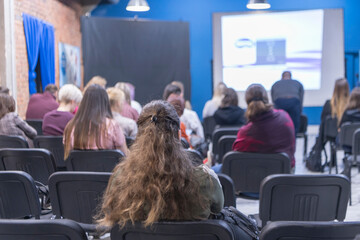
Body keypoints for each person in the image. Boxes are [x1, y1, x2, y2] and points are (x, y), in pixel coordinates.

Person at [97, 100, 223, 228]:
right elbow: (218, 209)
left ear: (139, 137)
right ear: (179, 136)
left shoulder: (121, 179)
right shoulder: (205, 181)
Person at [212, 84, 295, 172]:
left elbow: (236, 158)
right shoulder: (285, 117)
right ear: (266, 98)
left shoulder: (246, 133)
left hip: (250, 176)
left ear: (247, 102)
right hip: (283, 175)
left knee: (212, 172)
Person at [63, 84, 129, 159]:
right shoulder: (112, 126)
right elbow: (124, 157)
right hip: (107, 170)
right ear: (105, 103)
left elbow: (67, 156)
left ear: (84, 102)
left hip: (78, 170)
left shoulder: (71, 126)